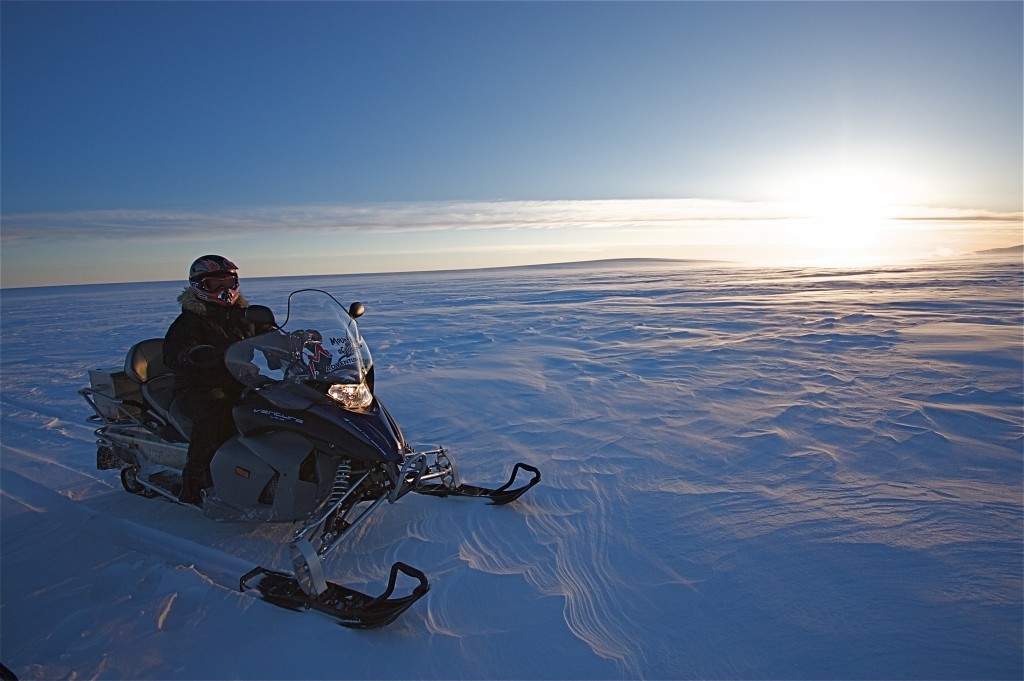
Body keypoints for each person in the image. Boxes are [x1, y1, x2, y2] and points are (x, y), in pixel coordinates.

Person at [163, 255, 264, 506]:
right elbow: (172, 353)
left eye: (227, 282)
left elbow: (267, 335)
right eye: (214, 285)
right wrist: (193, 354)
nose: (224, 290)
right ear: (199, 286)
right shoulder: (189, 320)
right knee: (216, 416)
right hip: (199, 386)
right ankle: (195, 482)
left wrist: (296, 341)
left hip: (241, 381)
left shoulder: (244, 315)